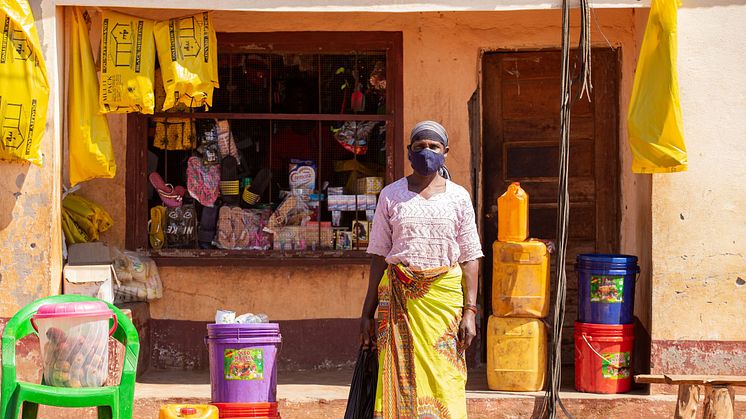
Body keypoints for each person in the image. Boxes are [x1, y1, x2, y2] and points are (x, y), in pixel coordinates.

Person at [360, 120, 483, 418]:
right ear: (409, 152)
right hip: (399, 300)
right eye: (420, 147)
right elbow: (379, 254)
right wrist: (366, 313)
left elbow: (470, 257)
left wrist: (470, 311)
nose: (426, 152)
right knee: (397, 375)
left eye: (434, 147)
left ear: (446, 152)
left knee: (446, 376)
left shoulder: (458, 197)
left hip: (444, 302)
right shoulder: (391, 195)